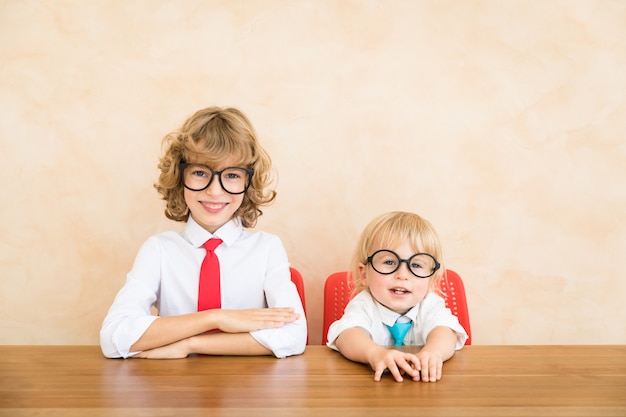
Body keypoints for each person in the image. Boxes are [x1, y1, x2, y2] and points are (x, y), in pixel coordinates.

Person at [100, 106, 306, 359]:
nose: (215, 191)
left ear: (247, 182)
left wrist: (189, 344)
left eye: (231, 175)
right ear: (179, 175)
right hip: (175, 388)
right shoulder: (159, 250)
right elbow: (113, 338)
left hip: (247, 387)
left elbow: (294, 336)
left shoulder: (267, 248)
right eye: (200, 173)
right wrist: (216, 318)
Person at [326, 211, 468, 382]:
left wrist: (433, 353)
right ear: (364, 275)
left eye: (416, 265)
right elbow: (347, 335)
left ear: (431, 281)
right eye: (389, 262)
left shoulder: (430, 304)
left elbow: (446, 331)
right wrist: (375, 354)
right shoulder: (364, 304)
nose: (402, 275)